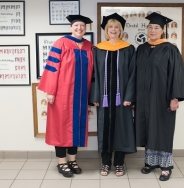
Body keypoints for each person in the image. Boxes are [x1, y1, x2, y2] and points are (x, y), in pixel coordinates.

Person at [135, 12, 184, 181]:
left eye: (156, 27)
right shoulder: (141, 48)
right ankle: (150, 162)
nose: (152, 30)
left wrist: (175, 97)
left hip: (162, 98)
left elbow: (177, 74)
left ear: (162, 30)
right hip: (143, 98)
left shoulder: (170, 49)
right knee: (148, 129)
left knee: (163, 130)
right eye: (150, 27)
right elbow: (135, 73)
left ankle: (165, 166)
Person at [38, 15, 94, 178]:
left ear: (85, 28)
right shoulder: (61, 43)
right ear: (71, 27)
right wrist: (50, 91)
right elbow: (52, 67)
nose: (79, 28)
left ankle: (72, 160)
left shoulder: (89, 46)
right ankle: (61, 162)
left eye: (82, 25)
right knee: (60, 128)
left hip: (81, 95)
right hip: (62, 95)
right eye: (76, 25)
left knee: (77, 127)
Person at [90, 13, 136, 177]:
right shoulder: (98, 49)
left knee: (122, 129)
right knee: (105, 129)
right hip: (104, 98)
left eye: (116, 27)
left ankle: (119, 164)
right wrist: (95, 96)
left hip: (122, 98)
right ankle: (105, 163)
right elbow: (94, 74)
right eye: (110, 27)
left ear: (121, 29)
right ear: (106, 30)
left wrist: (129, 96)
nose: (113, 29)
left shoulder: (129, 49)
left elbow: (133, 74)